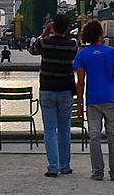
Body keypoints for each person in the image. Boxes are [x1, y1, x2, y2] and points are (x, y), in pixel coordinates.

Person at [74, 19, 114, 181]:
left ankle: (97, 172)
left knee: (94, 136)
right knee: (112, 135)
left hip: (92, 100)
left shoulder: (82, 54)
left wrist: (80, 104)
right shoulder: (112, 52)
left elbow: (81, 82)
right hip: (110, 98)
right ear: (101, 35)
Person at [29, 13, 78, 178]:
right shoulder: (72, 45)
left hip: (48, 90)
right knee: (65, 130)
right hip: (65, 90)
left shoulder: (45, 43)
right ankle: (65, 166)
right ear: (67, 28)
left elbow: (32, 50)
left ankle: (53, 166)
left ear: (53, 26)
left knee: (50, 129)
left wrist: (44, 33)